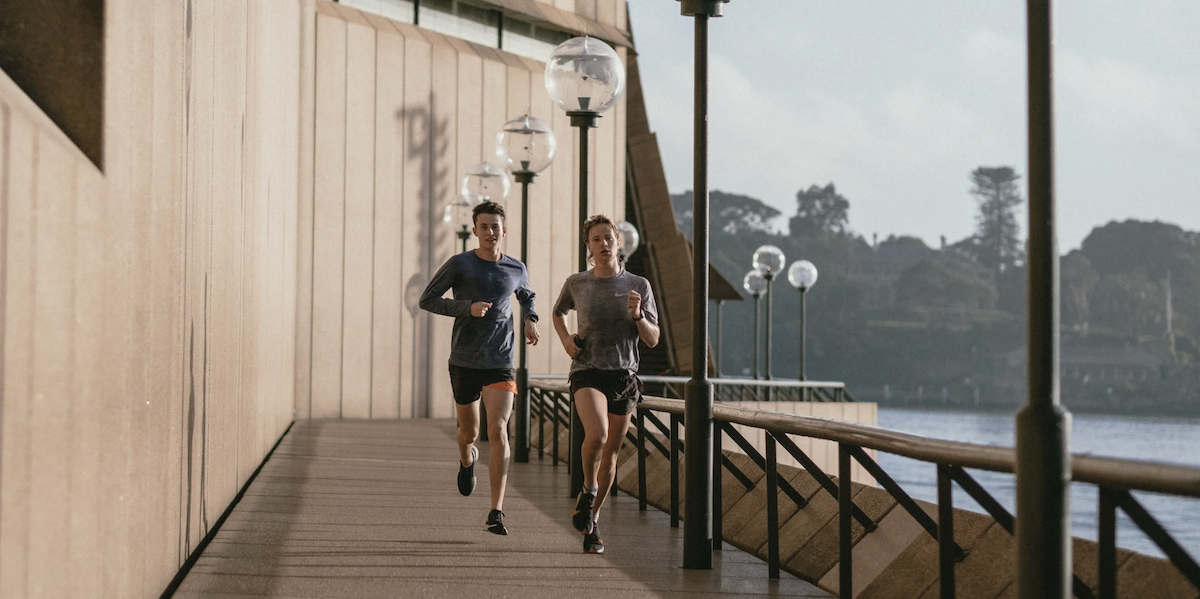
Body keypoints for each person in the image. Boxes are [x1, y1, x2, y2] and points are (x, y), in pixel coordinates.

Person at [419, 200, 539, 536]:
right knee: (469, 433)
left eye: (495, 227)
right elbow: (427, 299)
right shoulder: (460, 264)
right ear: (474, 230)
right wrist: (465, 308)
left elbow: (527, 295)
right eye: (484, 227)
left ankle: (496, 511)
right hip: (465, 360)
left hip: (501, 361)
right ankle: (466, 458)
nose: (490, 232)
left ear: (504, 229)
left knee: (498, 430)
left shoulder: (515, 267)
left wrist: (531, 318)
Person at [552, 214, 660, 554]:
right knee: (595, 435)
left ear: (618, 243)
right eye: (596, 239)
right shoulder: (577, 283)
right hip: (587, 370)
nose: (603, 244)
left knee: (611, 454)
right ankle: (587, 489)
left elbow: (654, 339)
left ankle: (593, 521)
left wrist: (639, 316)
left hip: (624, 376)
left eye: (608, 238)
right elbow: (558, 313)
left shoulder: (639, 286)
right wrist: (566, 340)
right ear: (588, 246)